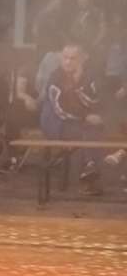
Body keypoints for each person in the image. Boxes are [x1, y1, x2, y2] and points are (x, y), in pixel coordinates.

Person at [40, 42, 108, 192]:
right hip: (55, 124)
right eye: (65, 58)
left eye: (73, 58)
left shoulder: (90, 76)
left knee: (94, 128)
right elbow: (60, 109)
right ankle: (89, 170)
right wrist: (86, 116)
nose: (68, 62)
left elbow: (96, 101)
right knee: (91, 129)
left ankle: (89, 173)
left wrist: (79, 83)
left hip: (80, 124)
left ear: (82, 59)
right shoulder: (55, 78)